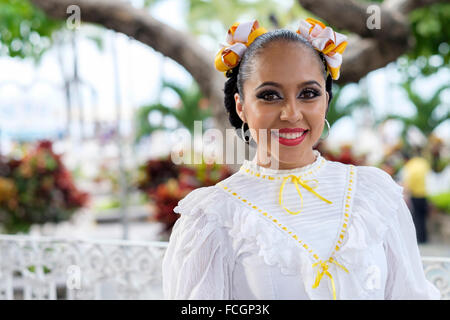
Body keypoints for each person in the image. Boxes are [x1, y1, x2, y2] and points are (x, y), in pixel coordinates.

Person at [162, 18, 440, 300]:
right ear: (241, 107)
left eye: (308, 93)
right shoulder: (211, 217)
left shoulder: (374, 194)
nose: (291, 113)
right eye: (270, 95)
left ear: (326, 102)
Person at [401, 148, 431, 243]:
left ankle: (419, 238)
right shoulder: (422, 163)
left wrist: (405, 191)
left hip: (415, 194)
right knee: (423, 217)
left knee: (417, 217)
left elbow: (408, 182)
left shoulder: (409, 166)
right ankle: (424, 238)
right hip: (425, 193)